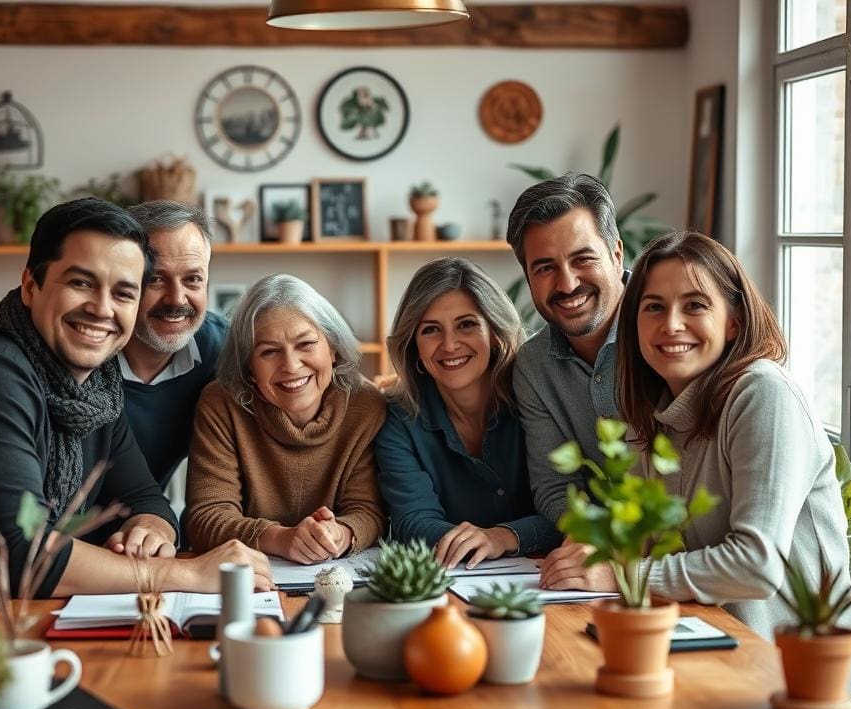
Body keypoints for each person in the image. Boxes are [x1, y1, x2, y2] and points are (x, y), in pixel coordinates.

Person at [0, 198, 270, 611]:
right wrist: (189, 573)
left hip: (20, 616)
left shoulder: (92, 383)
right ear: (30, 286)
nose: (102, 309)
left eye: (124, 292)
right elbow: (23, 554)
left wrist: (150, 528)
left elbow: (144, 494)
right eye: (81, 283)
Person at [541, 230, 851, 638]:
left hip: (796, 670)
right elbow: (648, 545)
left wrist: (620, 573)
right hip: (704, 644)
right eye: (654, 307)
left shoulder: (763, 393)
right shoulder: (650, 411)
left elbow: (756, 566)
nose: (671, 325)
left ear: (733, 322)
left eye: (695, 305)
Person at [185, 274, 387, 564]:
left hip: (336, 575)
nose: (291, 366)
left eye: (305, 345)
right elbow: (206, 517)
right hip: (246, 577)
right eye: (269, 352)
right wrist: (281, 538)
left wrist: (339, 533)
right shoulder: (221, 403)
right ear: (249, 367)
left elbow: (369, 511)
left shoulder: (367, 405)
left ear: (332, 348)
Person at [374, 257, 561, 568]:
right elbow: (412, 519)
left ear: (495, 332)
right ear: (414, 347)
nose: (449, 345)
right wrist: (468, 545)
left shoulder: (537, 394)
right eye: (431, 330)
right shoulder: (398, 419)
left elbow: (571, 510)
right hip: (455, 582)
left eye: (466, 324)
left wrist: (503, 537)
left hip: (550, 575)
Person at [506, 172, 629, 566]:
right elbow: (556, 490)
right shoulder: (533, 365)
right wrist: (598, 545)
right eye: (544, 268)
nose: (567, 283)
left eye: (583, 259)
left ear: (616, 254)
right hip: (607, 570)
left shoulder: (670, 338)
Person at [119, 201, 229, 490]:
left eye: (193, 279)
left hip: (149, 522)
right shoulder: (84, 348)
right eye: (155, 279)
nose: (176, 299)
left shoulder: (227, 350)